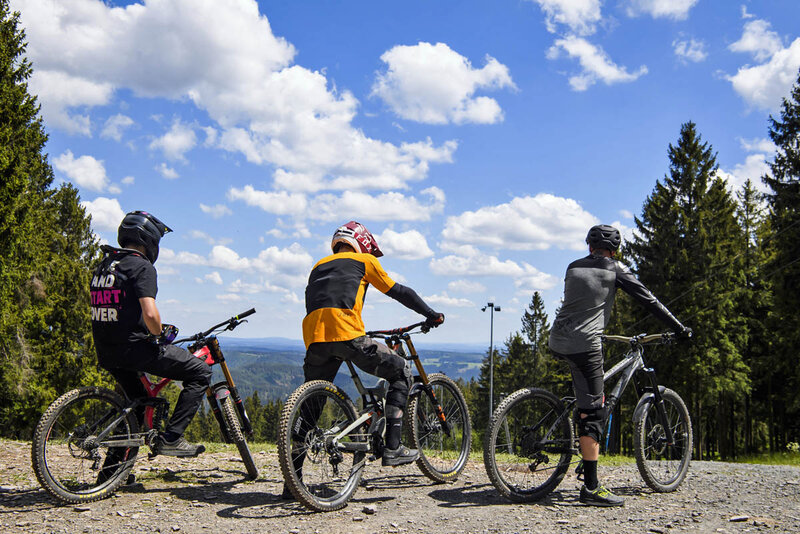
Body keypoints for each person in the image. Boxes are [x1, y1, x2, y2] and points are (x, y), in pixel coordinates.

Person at [285, 221, 443, 496]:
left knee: (310, 407)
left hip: (314, 338)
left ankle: (292, 482)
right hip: (347, 334)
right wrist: (430, 314)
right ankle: (393, 447)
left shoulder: (318, 265)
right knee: (401, 371)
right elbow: (399, 291)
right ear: (361, 242)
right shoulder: (364, 260)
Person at [549, 224, 690, 507]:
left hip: (557, 338)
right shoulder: (615, 269)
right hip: (585, 344)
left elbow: (583, 301)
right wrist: (679, 328)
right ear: (615, 250)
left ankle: (581, 442)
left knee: (587, 394)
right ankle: (591, 488)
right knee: (593, 413)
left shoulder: (572, 267)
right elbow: (649, 300)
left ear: (589, 246)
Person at [90, 211, 211, 459]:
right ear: (150, 240)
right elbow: (150, 313)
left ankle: (112, 475)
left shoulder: (104, 266)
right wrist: (158, 334)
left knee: (136, 405)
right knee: (201, 372)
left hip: (106, 349)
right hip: (134, 349)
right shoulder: (141, 266)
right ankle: (173, 438)